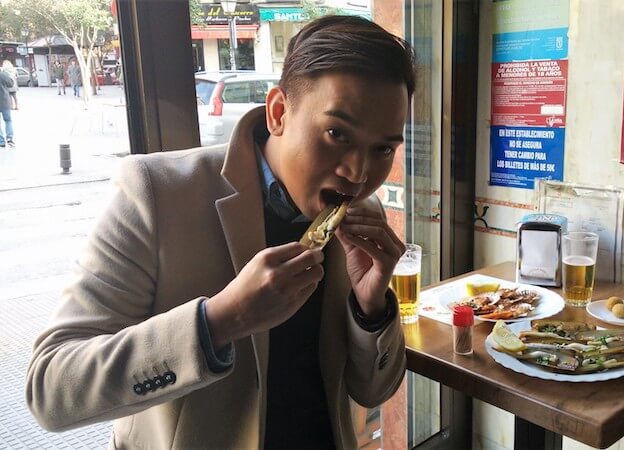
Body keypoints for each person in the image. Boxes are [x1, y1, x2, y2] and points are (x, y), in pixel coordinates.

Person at [26, 15, 416, 449]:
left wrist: (371, 307)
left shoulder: (363, 215)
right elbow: (51, 389)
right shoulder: (156, 193)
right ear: (279, 113)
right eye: (336, 133)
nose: (357, 173)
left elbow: (374, 391)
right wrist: (221, 321)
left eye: (382, 148)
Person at [0, 69, 14, 148]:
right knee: (8, 120)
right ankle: (9, 139)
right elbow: (11, 84)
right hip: (5, 101)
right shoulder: (3, 74)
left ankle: (1, 141)